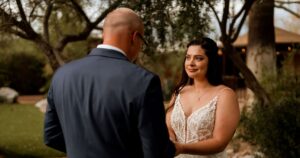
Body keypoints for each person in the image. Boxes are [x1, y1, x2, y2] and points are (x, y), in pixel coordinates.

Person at [44, 7, 175, 158]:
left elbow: (51, 136)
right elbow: (156, 152)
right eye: (142, 41)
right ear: (134, 37)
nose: (140, 47)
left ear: (104, 34)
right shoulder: (144, 81)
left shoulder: (62, 74)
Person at [166, 37, 240, 158]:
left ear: (211, 62)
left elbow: (220, 142)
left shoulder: (225, 95)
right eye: (188, 57)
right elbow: (169, 128)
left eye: (198, 58)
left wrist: (182, 148)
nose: (191, 63)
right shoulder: (179, 92)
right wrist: (170, 141)